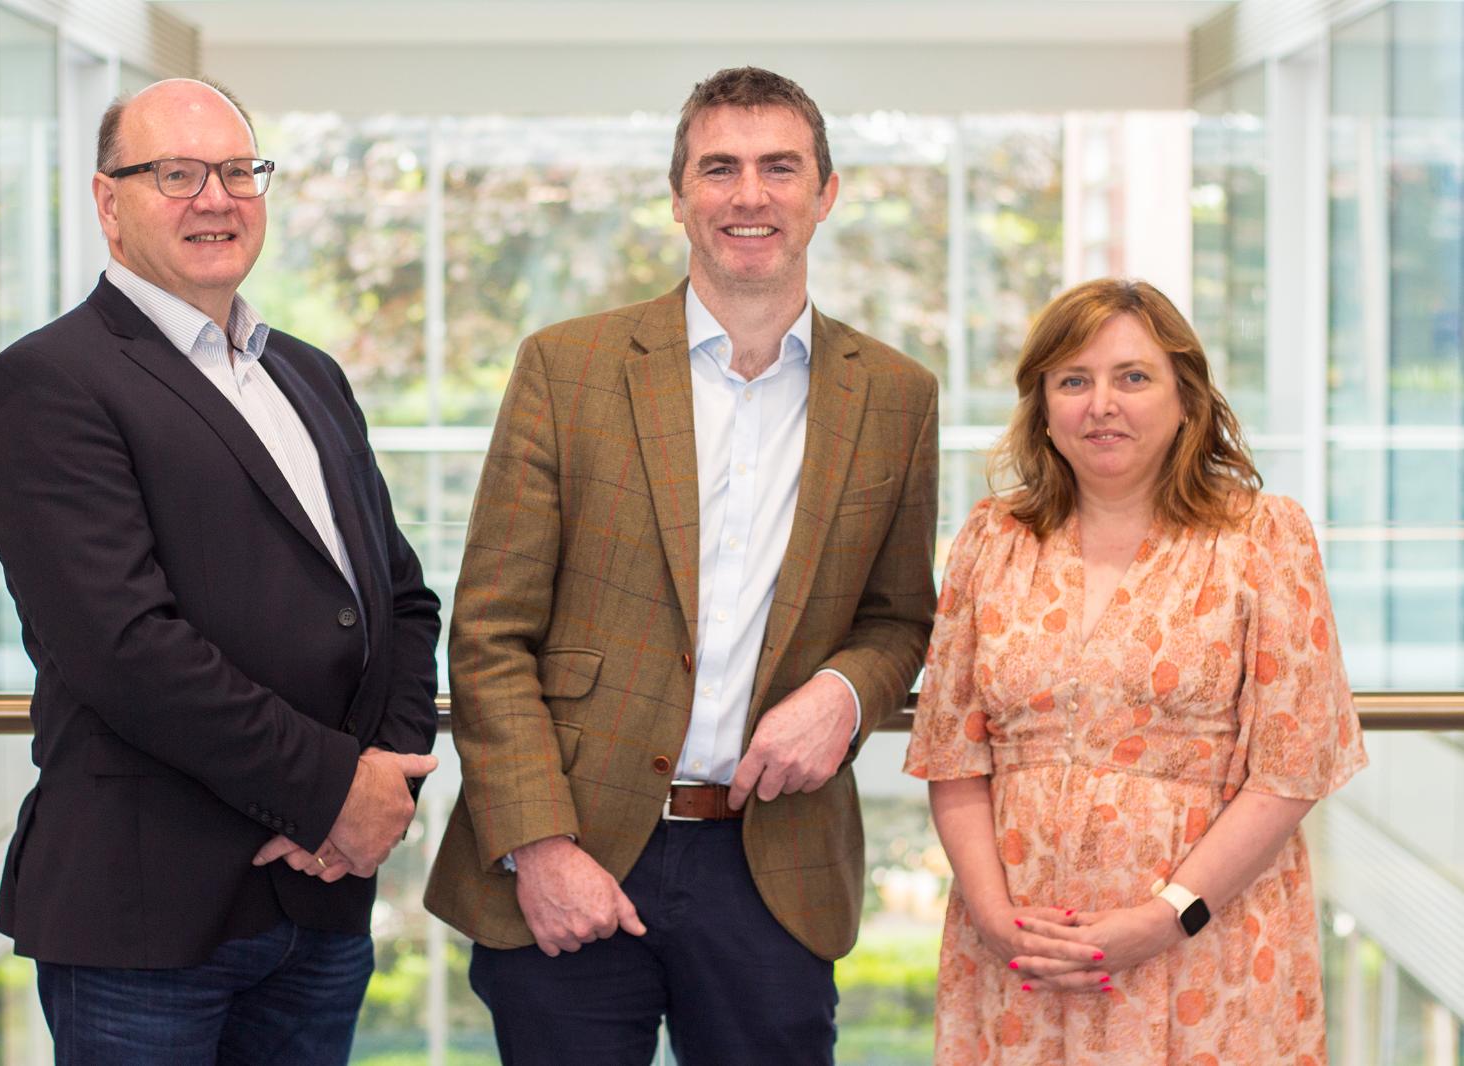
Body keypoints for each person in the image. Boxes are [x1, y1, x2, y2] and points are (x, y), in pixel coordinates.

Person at [423, 66, 939, 1065]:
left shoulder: (896, 395)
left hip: (774, 865)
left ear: (825, 194)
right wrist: (538, 843)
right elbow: (489, 634)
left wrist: (842, 693)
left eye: (779, 168)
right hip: (572, 852)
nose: (750, 195)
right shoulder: (565, 368)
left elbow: (898, 618)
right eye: (719, 168)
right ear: (677, 196)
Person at [0, 78, 440, 1065]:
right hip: (148, 920)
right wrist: (333, 792)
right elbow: (125, 649)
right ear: (109, 202)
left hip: (319, 901)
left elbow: (397, 600)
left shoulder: (308, 374)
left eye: (237, 171)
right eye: (177, 175)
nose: (216, 198)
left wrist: (382, 787)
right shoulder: (48, 382)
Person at [905, 277, 1367, 1063]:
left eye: (1133, 377)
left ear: (1186, 398)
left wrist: (1166, 917)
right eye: (1073, 381)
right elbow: (953, 755)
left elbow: (1291, 769)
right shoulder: (991, 539)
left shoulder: (1263, 536)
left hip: (1205, 947)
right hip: (1022, 958)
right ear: (1042, 406)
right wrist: (995, 919)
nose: (1101, 405)